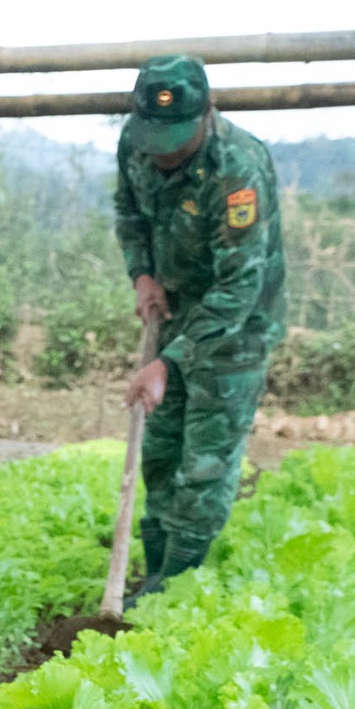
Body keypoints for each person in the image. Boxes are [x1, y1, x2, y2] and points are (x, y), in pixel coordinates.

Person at [113, 54, 288, 594]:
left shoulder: (239, 169)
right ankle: (155, 569)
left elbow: (239, 287)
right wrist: (143, 274)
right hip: (173, 309)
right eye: (154, 138)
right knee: (162, 448)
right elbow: (129, 211)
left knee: (205, 459)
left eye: (176, 142)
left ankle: (178, 585)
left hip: (236, 326)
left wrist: (170, 361)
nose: (162, 154)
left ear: (208, 113)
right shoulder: (134, 140)